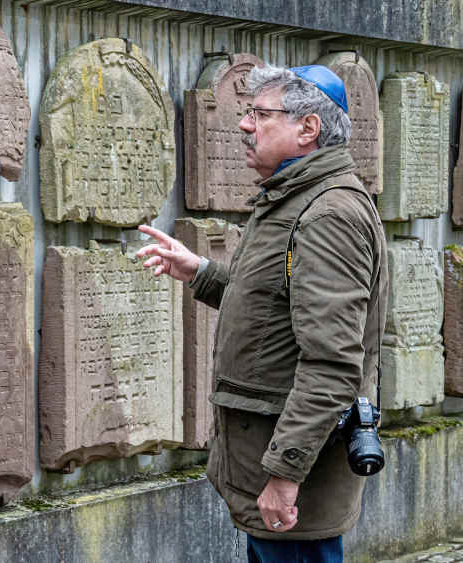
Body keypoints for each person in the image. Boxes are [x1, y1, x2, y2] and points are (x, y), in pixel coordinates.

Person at [136, 64, 388, 562]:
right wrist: (201, 271)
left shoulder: (327, 215)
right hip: (269, 458)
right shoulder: (294, 200)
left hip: (293, 476)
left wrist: (285, 474)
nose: (245, 125)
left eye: (259, 114)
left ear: (308, 128)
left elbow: (333, 365)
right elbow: (281, 307)